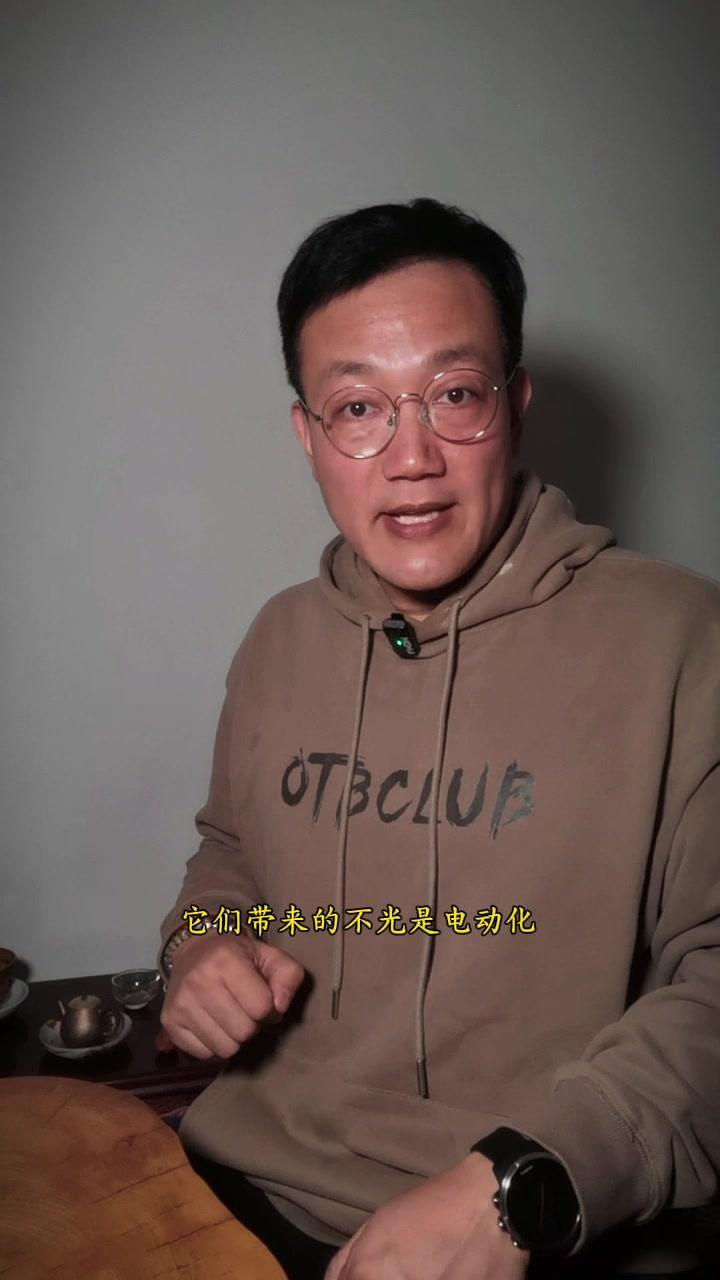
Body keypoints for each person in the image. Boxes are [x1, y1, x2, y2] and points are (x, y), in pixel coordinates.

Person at [158, 199, 720, 1280]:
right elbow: (226, 853)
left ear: (515, 401)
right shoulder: (277, 637)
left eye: (455, 394)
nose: (411, 456)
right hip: (252, 1184)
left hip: (553, 1215)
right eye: (358, 408)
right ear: (308, 436)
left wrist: (529, 1183)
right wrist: (203, 946)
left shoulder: (685, 639)